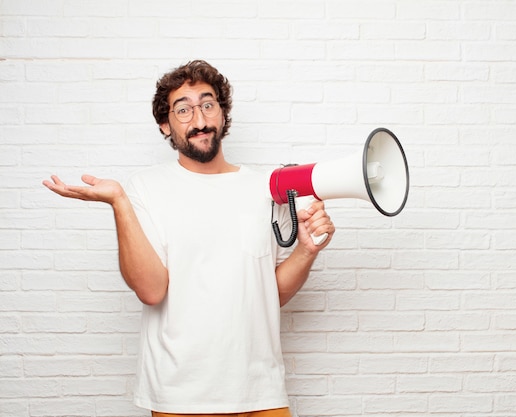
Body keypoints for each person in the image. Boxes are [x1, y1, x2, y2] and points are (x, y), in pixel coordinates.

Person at [43, 60, 335, 417]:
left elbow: (269, 294)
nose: (199, 120)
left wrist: (306, 251)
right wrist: (119, 202)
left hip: (261, 393)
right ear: (165, 124)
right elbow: (151, 290)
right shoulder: (145, 188)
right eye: (183, 110)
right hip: (179, 396)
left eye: (208, 104)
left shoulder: (266, 189)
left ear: (223, 114)